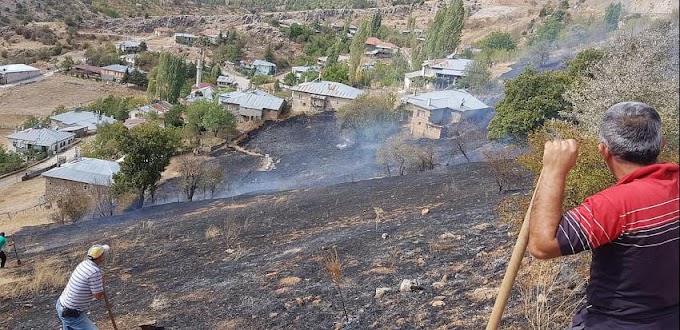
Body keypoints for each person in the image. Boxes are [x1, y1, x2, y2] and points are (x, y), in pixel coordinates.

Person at [527, 101, 679, 329]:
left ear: (604, 150)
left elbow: (542, 246)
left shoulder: (612, 206)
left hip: (620, 323)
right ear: (662, 144)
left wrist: (553, 170)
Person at [56, 244, 110, 330]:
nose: (105, 257)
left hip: (62, 305)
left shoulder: (84, 264)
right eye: (103, 255)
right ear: (101, 258)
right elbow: (98, 295)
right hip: (71, 313)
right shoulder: (94, 272)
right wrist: (100, 283)